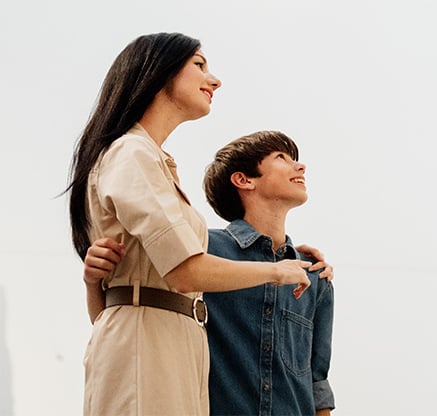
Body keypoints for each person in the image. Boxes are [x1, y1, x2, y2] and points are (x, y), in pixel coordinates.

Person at [67, 32, 316, 416]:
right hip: (149, 345)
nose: (214, 79)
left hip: (173, 342)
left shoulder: (153, 160)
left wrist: (291, 255)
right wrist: (277, 270)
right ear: (159, 73)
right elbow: (184, 270)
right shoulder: (132, 153)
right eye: (199, 65)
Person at [85, 130, 336, 416]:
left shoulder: (314, 275)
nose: (300, 166)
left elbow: (318, 382)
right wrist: (93, 282)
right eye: (282, 157)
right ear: (244, 180)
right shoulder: (199, 253)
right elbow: (123, 316)